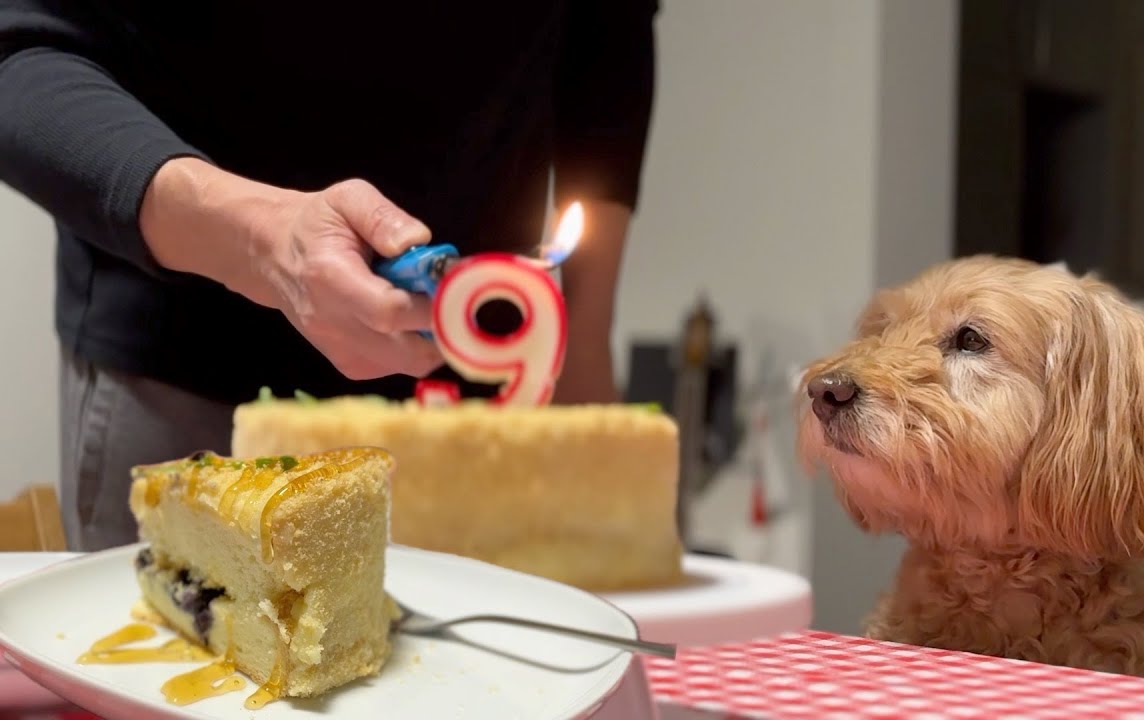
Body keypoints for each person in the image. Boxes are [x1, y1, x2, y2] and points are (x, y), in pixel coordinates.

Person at [0, 1, 657, 551]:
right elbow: (19, 42)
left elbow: (607, 34)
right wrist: (261, 241)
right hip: (188, 381)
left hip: (479, 402)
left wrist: (587, 345)